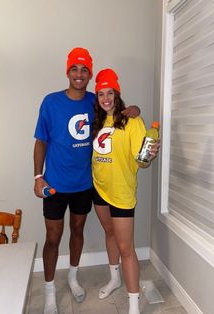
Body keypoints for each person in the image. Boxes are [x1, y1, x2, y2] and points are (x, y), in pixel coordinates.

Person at [33, 47, 140, 314]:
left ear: (89, 74)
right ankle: (48, 293)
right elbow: (40, 141)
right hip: (55, 185)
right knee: (53, 238)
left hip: (85, 185)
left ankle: (73, 277)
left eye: (84, 70)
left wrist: (134, 109)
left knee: (78, 232)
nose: (79, 74)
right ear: (67, 71)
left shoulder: (95, 102)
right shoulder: (51, 101)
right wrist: (37, 177)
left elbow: (118, 114)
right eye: (74, 69)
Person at [92, 68, 159, 314]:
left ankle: (133, 304)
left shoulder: (132, 120)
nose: (106, 98)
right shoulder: (97, 120)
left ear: (117, 94)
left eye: (110, 93)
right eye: (101, 94)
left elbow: (141, 160)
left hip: (121, 192)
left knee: (126, 249)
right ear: (97, 97)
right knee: (109, 233)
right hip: (99, 189)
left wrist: (148, 156)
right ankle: (114, 278)